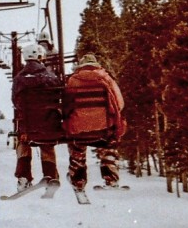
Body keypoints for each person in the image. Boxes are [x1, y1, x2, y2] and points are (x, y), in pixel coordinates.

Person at [63, 53, 127, 190]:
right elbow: (119, 103)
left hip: (79, 130)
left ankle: (78, 178)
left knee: (77, 146)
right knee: (109, 144)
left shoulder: (73, 81)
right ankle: (110, 178)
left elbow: (67, 106)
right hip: (104, 129)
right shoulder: (106, 79)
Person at [12, 43, 62, 190]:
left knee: (23, 143)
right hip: (48, 124)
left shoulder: (19, 79)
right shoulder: (50, 77)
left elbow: (16, 101)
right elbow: (57, 96)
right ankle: (51, 175)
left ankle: (23, 177)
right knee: (46, 145)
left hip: (27, 125)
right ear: (41, 57)